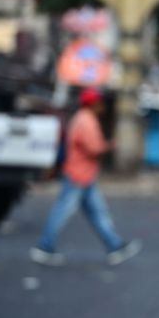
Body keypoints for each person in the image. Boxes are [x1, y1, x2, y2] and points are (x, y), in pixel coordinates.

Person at [30, 88, 141, 267]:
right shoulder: (85, 121)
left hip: (85, 176)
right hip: (78, 175)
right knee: (63, 212)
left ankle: (114, 246)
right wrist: (109, 145)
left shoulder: (82, 118)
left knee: (97, 213)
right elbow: (93, 148)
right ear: (92, 104)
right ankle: (44, 246)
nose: (102, 106)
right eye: (99, 102)